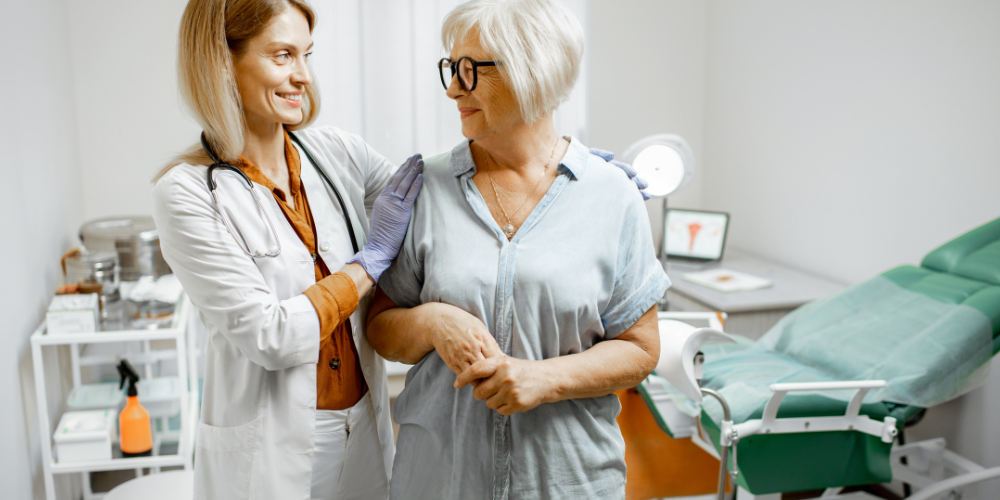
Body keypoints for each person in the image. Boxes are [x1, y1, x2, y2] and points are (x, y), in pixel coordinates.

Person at [152, 1, 643, 499]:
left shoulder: (335, 153)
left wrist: (570, 175)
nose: (302, 76)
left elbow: (442, 193)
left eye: (307, 55)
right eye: (283, 56)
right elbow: (270, 335)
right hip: (270, 448)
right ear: (221, 63)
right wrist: (369, 268)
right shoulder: (188, 194)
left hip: (361, 435)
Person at [366, 0, 670, 499]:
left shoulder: (611, 194)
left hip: (567, 482)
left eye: (469, 71)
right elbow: (380, 329)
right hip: (439, 480)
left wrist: (546, 379)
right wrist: (432, 322)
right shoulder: (426, 187)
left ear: (535, 70)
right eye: (451, 68)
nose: (451, 89)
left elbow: (640, 348)